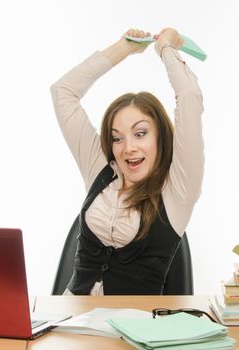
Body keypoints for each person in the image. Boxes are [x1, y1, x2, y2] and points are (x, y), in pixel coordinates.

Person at [50, 28, 204, 295]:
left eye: (140, 133)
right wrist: (124, 48)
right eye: (117, 138)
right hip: (72, 322)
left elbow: (189, 98)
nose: (128, 148)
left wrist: (166, 49)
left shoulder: (178, 190)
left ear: (161, 137)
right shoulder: (101, 171)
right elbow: (62, 91)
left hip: (134, 329)